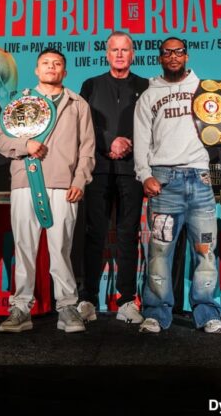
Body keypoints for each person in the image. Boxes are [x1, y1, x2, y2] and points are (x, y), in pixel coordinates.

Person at [0, 48, 94, 333]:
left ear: (65, 71)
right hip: (25, 182)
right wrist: (24, 145)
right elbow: (1, 141)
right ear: (37, 70)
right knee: (24, 248)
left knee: (61, 249)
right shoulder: (20, 101)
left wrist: (79, 180)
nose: (51, 67)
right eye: (46, 63)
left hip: (64, 186)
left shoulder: (77, 104)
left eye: (57, 64)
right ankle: (21, 308)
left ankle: (67, 307)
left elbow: (87, 148)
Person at [133, 37, 221, 334]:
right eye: (167, 52)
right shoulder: (149, 95)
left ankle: (207, 313)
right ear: (160, 58)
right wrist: (144, 174)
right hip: (164, 181)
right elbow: (141, 139)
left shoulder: (205, 89)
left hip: (200, 179)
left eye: (179, 52)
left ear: (187, 56)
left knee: (206, 251)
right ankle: (156, 313)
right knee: (160, 252)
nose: (173, 56)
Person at [77, 31, 149, 324]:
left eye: (125, 50)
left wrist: (126, 142)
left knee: (128, 235)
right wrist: (109, 143)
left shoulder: (146, 86)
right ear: (107, 54)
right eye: (114, 50)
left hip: (132, 169)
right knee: (94, 234)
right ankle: (87, 299)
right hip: (98, 169)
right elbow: (83, 125)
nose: (119, 54)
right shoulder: (91, 85)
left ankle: (127, 300)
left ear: (133, 54)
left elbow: (150, 124)